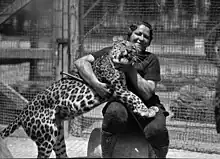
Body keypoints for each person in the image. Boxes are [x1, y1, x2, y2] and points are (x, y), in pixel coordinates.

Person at [74, 21, 170, 158]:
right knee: (114, 112)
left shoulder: (151, 59)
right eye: (138, 33)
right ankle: (106, 155)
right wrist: (96, 84)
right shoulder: (112, 51)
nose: (141, 38)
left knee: (157, 130)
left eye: (146, 37)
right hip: (121, 103)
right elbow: (81, 62)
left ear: (149, 42)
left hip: (147, 105)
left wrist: (130, 69)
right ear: (129, 35)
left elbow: (148, 93)